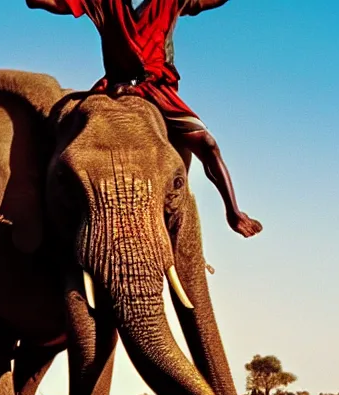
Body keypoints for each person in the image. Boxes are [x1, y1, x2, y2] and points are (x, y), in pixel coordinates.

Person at [26, 0, 262, 237]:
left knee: (207, 143)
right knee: (65, 145)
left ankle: (233, 212)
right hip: (114, 90)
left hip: (157, 90)